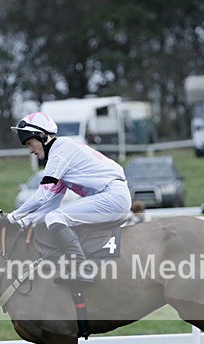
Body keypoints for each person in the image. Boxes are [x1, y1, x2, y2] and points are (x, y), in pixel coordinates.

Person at [7, 111, 131, 283]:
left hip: (113, 197)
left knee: (55, 217)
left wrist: (12, 217)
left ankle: (83, 269)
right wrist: (22, 223)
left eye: (30, 143)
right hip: (112, 197)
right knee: (54, 216)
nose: (30, 150)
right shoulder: (60, 157)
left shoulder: (60, 150)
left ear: (42, 136)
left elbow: (42, 196)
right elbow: (50, 205)